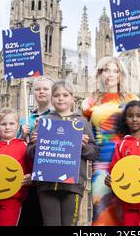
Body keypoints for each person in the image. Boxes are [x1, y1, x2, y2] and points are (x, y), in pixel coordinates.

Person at [27, 80, 99, 226]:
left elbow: (93, 152)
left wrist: (81, 146)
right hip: (47, 184)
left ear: (72, 98)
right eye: (57, 95)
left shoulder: (81, 123)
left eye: (65, 95)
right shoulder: (44, 122)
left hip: (73, 185)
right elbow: (29, 153)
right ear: (51, 99)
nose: (61, 98)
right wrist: (38, 145)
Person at [82, 56, 137, 226]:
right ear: (100, 74)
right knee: (102, 213)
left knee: (126, 213)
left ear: (121, 75)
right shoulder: (89, 101)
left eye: (115, 70)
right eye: (106, 70)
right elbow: (81, 129)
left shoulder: (131, 99)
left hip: (126, 161)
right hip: (101, 163)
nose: (111, 74)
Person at [18, 76, 54, 226]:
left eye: (45, 89)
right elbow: (16, 147)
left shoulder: (57, 116)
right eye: (38, 89)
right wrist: (22, 134)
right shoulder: (25, 120)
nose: (41, 92)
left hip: (48, 178)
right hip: (27, 175)